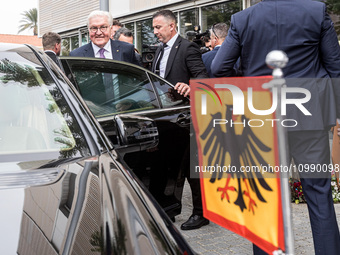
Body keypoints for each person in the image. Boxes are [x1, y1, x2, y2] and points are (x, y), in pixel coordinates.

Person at [211, 1, 340, 254]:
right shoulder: (316, 10)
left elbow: (219, 68)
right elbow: (335, 66)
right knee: (318, 193)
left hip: (262, 117)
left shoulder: (242, 18)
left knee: (263, 197)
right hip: (309, 115)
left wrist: (250, 75)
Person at [152, 9, 209, 230]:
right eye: (154, 28)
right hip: (166, 118)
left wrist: (190, 85)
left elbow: (203, 77)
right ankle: (170, 209)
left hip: (185, 118)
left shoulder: (187, 47)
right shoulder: (159, 50)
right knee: (171, 167)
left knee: (190, 169)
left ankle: (200, 213)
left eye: (158, 27)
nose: (155, 31)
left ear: (172, 26)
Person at [69, 11, 139, 66]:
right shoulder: (77, 56)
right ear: (89, 30)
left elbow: (140, 79)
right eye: (94, 28)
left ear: (111, 29)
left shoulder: (126, 50)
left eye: (103, 27)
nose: (98, 33)